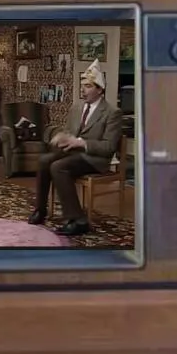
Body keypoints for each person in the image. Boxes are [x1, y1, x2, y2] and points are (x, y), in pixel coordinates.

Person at [27, 60, 123, 236]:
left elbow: (109, 147)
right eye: (82, 86)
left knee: (58, 167)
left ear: (100, 89)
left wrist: (82, 143)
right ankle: (40, 210)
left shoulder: (112, 113)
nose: (83, 90)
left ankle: (78, 220)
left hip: (94, 158)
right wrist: (62, 136)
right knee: (43, 160)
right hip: (73, 153)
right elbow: (69, 132)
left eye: (88, 86)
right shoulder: (76, 108)